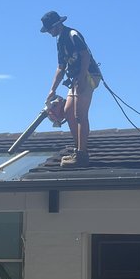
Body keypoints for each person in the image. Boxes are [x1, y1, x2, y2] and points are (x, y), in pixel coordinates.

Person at [40, 10, 101, 167]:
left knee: (79, 114)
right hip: (75, 78)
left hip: (87, 75)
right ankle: (79, 149)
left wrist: (81, 78)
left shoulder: (72, 34)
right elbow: (61, 67)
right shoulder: (60, 42)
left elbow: (85, 56)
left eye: (49, 30)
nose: (48, 33)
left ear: (56, 25)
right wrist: (52, 89)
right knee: (68, 112)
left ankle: (81, 154)